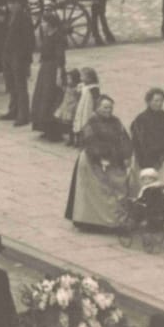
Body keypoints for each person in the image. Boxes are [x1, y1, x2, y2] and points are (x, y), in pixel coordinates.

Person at [65, 92, 132, 230]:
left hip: (114, 160)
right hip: (94, 161)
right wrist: (102, 157)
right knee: (99, 189)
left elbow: (124, 138)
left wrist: (126, 155)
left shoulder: (116, 122)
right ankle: (95, 221)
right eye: (105, 108)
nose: (108, 111)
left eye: (110, 108)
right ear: (97, 108)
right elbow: (90, 142)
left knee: (119, 187)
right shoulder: (91, 123)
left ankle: (117, 219)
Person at [131, 87, 164, 195]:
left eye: (161, 100)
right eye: (156, 100)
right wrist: (145, 163)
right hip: (146, 161)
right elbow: (138, 143)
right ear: (148, 102)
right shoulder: (141, 119)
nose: (159, 103)